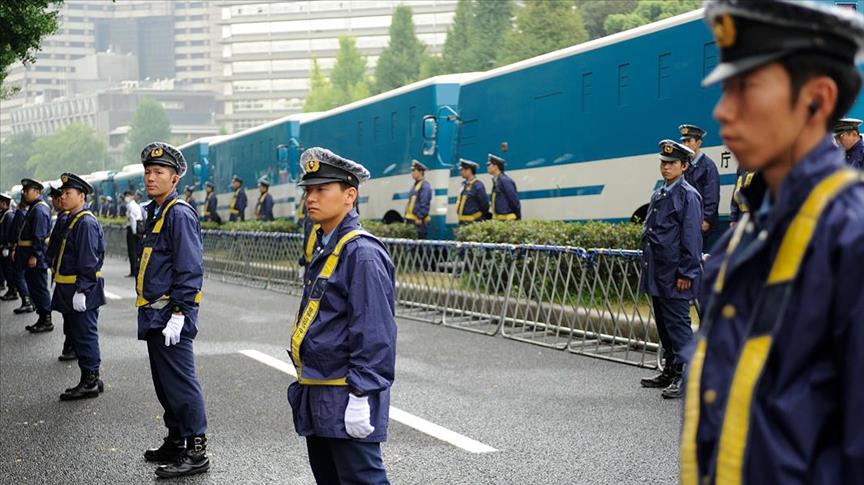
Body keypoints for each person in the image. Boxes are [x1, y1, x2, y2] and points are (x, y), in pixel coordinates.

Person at [679, 2, 864, 484]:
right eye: (725, 89)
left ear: (818, 100)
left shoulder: (852, 241)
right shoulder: (746, 235)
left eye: (746, 88)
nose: (723, 110)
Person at [288, 147, 397, 485]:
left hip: (345, 391)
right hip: (319, 387)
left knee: (363, 480)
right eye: (308, 190)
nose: (311, 197)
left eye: (322, 189)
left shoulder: (361, 252)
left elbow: (374, 331)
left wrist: (362, 395)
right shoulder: (326, 245)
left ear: (350, 195)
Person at [136, 142, 209, 478]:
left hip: (170, 314)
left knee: (180, 383)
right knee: (165, 384)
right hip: (156, 313)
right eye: (148, 172)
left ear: (175, 178)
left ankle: (196, 449)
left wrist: (179, 312)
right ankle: (176, 439)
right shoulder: (158, 210)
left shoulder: (178, 212)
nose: (151, 178)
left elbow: (189, 267)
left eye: (159, 172)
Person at [638, 140, 702, 400]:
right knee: (664, 327)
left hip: (676, 275)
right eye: (663, 163)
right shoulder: (661, 193)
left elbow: (691, 240)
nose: (665, 168)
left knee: (679, 327)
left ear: (684, 166)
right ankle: (671, 371)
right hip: (658, 272)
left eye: (672, 163)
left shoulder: (688, 196)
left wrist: (687, 274)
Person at [51, 173, 106, 400]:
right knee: (78, 333)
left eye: (68, 193)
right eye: (62, 193)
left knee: (85, 335)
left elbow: (88, 261)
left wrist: (82, 290)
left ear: (81, 196)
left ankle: (90, 381)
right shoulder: (73, 219)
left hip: (79, 288)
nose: (62, 197)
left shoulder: (85, 222)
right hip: (68, 288)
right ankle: (93, 377)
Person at [17, 178, 53, 333]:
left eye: (27, 190)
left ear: (37, 192)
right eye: (24, 191)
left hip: (35, 256)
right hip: (29, 254)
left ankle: (46, 319)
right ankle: (41, 317)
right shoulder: (34, 207)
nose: (24, 193)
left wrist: (35, 255)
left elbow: (38, 236)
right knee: (34, 286)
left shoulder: (39, 209)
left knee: (39, 288)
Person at [679, 124, 721, 251]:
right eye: (683, 141)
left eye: (689, 141)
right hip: (686, 222)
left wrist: (706, 220)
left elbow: (712, 195)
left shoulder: (708, 166)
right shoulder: (685, 165)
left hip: (701, 225)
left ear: (699, 143)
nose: (685, 144)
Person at [46, 183, 76, 360]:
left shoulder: (66, 219)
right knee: (68, 315)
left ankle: (72, 345)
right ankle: (70, 343)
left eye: (56, 199)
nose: (56, 201)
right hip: (60, 271)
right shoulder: (64, 217)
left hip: (68, 276)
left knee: (72, 317)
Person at [9, 195, 31, 311]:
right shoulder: (27, 212)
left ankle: (26, 301)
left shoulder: (19, 213)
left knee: (18, 275)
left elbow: (17, 232)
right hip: (25, 249)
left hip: (21, 248)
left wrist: (13, 248)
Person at [487, 154, 521, 221]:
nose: (488, 167)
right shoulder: (497, 181)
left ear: (495, 166)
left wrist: (518, 216)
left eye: (489, 165)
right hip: (500, 221)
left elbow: (513, 200)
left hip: (506, 221)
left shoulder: (504, 180)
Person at [404, 159, 432, 238]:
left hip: (418, 222)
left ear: (420, 172)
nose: (412, 173)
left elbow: (425, 203)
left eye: (414, 170)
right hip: (412, 220)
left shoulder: (425, 186)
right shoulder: (415, 185)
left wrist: (420, 217)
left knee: (418, 247)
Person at [455, 159, 489, 225]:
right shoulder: (464, 185)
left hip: (473, 222)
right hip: (462, 222)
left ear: (469, 170)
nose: (460, 172)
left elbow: (485, 205)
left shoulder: (478, 185)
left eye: (462, 170)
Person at [0, 193, 18, 302]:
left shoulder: (9, 215)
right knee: (5, 270)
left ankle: (13, 290)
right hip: (3, 247)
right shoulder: (4, 214)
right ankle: (10, 290)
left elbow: (9, 233)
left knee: (9, 270)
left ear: (4, 203)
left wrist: (7, 246)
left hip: (7, 247)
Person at [124, 190, 143, 277]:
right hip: (136, 228)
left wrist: (134, 231)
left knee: (132, 251)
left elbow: (132, 219)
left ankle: (134, 270)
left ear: (131, 196)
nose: (126, 197)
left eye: (128, 195)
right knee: (135, 251)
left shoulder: (131, 206)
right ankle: (134, 270)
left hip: (133, 229)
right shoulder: (134, 205)